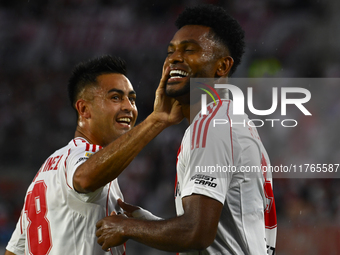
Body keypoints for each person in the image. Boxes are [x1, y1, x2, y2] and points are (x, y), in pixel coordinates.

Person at [96, 5, 277, 255]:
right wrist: (148, 223)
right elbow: (221, 234)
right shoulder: (230, 122)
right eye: (171, 51)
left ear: (222, 66)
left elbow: (196, 233)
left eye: (189, 50)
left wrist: (128, 227)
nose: (173, 58)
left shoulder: (212, 126)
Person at [5, 55, 183, 255]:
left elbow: (14, 251)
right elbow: (85, 178)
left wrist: (141, 225)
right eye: (115, 97)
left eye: (131, 98)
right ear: (84, 109)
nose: (129, 107)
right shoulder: (83, 154)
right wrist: (157, 120)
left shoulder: (47, 169)